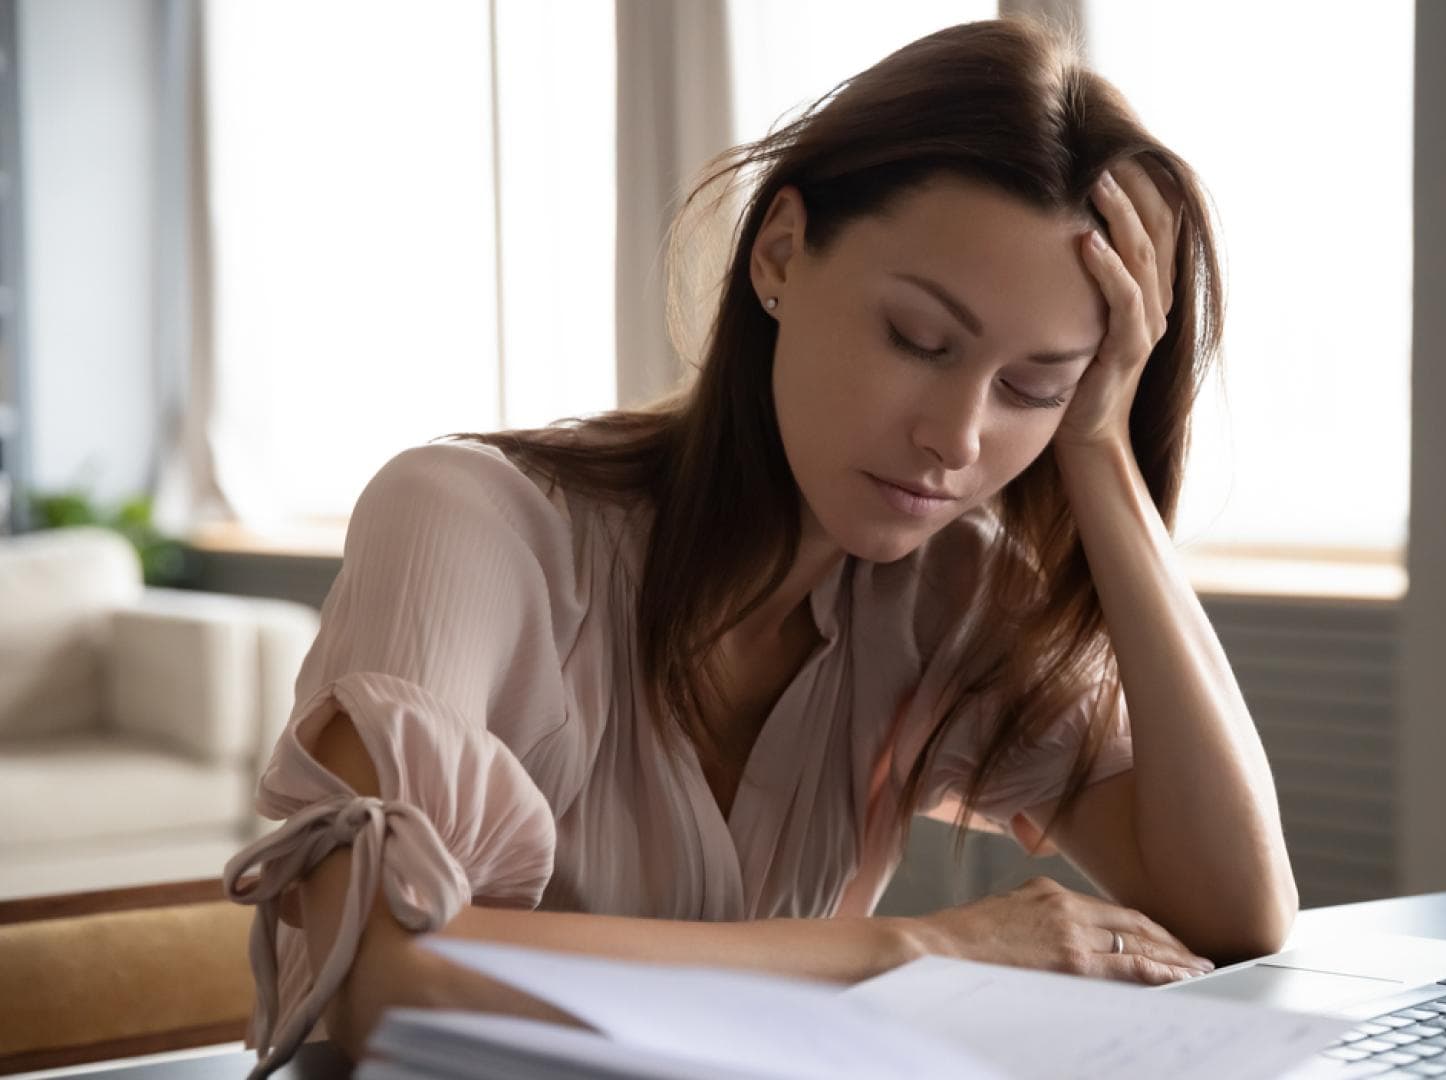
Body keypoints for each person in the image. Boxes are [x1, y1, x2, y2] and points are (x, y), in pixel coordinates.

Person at [222, 16, 1297, 1077]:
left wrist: (1101, 449)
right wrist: (916, 949)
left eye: (1034, 387)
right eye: (919, 340)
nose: (958, 440)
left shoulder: (951, 592)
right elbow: (389, 980)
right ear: (780, 252)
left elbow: (1239, 912)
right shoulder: (469, 523)